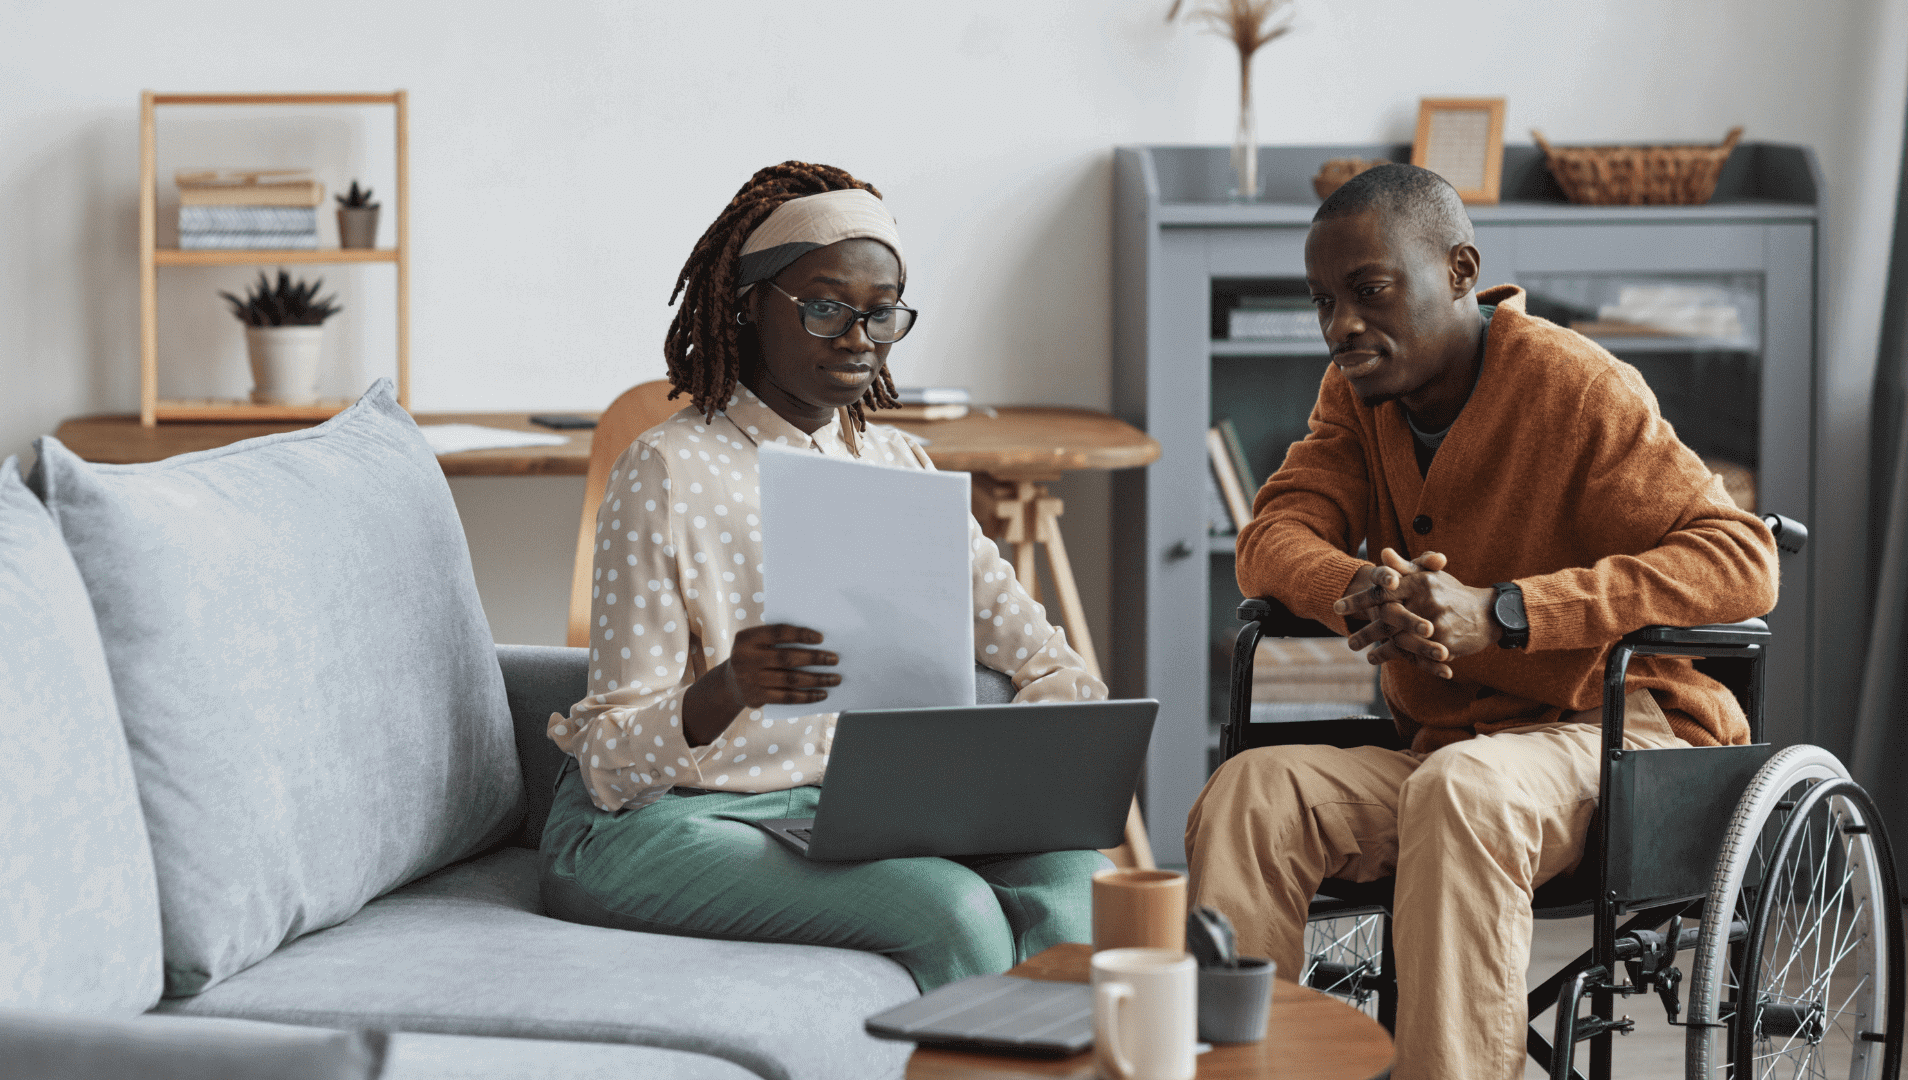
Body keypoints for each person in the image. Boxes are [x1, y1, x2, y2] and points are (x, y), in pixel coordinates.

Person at [1183, 163, 1777, 1080]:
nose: (1342, 326)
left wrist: (1505, 614)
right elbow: (1273, 535)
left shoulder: (1577, 385)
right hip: (1449, 752)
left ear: (1460, 270)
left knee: (1464, 789)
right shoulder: (1355, 392)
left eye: (1370, 293)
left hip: (1620, 740)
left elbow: (1741, 558)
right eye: (1323, 302)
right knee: (1251, 796)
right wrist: (1360, 591)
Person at [540, 160, 1108, 989]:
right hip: (673, 823)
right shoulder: (667, 470)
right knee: (952, 911)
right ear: (747, 305)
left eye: (882, 316)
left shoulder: (900, 466)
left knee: (1075, 885)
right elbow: (610, 768)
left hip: (848, 813)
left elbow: (1052, 665)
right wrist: (730, 686)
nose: (856, 340)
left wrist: (1019, 771)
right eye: (825, 308)